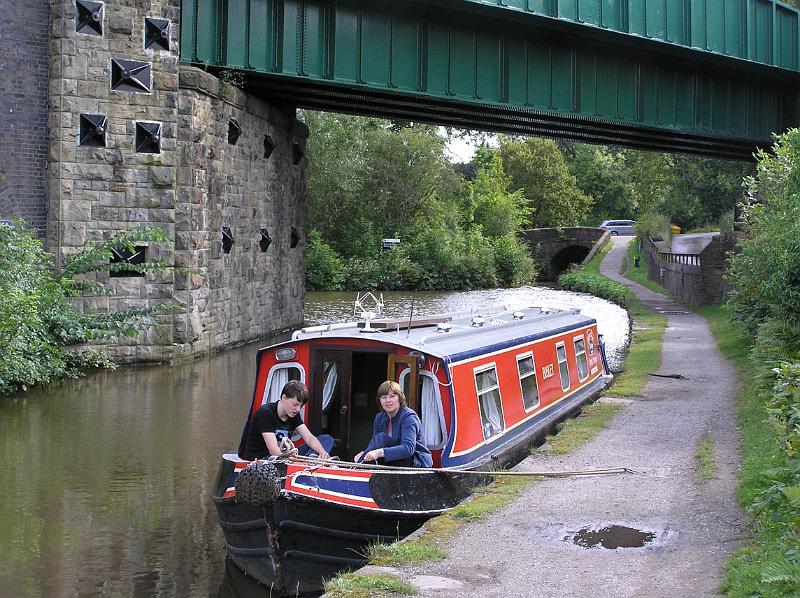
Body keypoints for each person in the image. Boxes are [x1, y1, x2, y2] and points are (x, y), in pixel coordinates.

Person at [245, 380, 334, 460]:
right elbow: (273, 450)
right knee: (275, 458)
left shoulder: (293, 414)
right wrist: (296, 460)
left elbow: (309, 437)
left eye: (301, 406)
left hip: (287, 455)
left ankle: (312, 458)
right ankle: (308, 461)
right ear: (284, 398)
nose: (298, 409)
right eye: (295, 404)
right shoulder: (265, 413)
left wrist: (322, 452)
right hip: (265, 458)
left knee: (327, 439)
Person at [355, 380, 432, 468]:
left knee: (381, 438)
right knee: (380, 438)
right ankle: (359, 468)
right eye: (383, 397)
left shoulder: (409, 417)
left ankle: (357, 468)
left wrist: (379, 452)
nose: (388, 400)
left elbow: (408, 449)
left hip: (416, 462)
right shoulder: (379, 417)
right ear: (379, 400)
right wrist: (365, 453)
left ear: (400, 398)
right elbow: (375, 444)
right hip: (393, 461)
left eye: (392, 396)